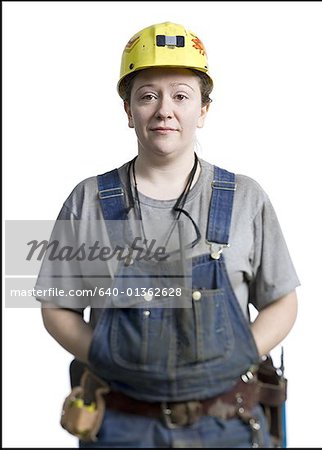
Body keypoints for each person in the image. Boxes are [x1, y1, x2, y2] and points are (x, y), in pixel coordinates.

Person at [35, 21, 300, 448]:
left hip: (226, 425)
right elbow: (56, 308)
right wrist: (107, 356)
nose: (164, 110)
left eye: (181, 95)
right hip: (120, 425)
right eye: (147, 96)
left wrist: (240, 353)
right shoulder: (86, 200)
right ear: (127, 111)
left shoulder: (247, 198)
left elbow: (283, 301)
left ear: (204, 109)